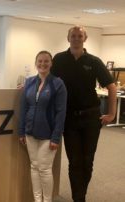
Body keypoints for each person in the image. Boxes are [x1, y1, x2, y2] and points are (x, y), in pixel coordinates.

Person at [51, 25, 117, 202]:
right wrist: (28, 85)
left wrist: (111, 113)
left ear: (85, 39)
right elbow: (46, 79)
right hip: (69, 118)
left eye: (80, 36)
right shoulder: (59, 59)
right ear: (68, 38)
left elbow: (112, 86)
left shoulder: (94, 61)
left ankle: (81, 195)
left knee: (87, 161)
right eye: (73, 36)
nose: (76, 38)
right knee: (74, 161)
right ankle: (78, 198)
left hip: (90, 117)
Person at [19, 50, 67, 202]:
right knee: (34, 166)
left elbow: (61, 113)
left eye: (46, 61)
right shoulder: (30, 82)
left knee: (45, 169)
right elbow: (23, 108)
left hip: (48, 135)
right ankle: (37, 200)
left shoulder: (58, 83)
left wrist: (56, 137)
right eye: (40, 61)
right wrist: (21, 131)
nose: (43, 64)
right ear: (36, 63)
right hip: (30, 132)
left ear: (51, 63)